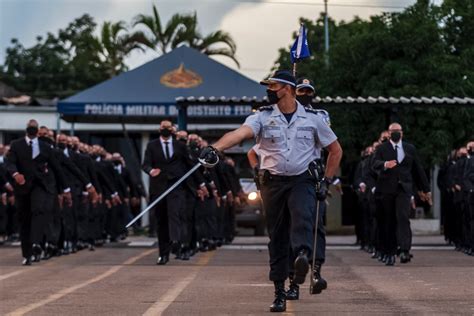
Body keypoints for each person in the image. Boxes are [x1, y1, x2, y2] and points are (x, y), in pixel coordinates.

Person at [199, 70, 343, 312]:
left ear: (287, 88)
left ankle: (303, 258)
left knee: (303, 217)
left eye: (273, 86)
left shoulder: (313, 118)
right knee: (276, 237)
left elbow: (335, 150)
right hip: (273, 183)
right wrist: (215, 148)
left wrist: (325, 181)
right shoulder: (262, 117)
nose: (269, 91)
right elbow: (240, 134)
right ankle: (279, 292)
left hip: (302, 181)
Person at [5, 120, 71, 265]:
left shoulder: (45, 147)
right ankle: (26, 254)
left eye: (35, 127)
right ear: (26, 129)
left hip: (40, 186)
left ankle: (36, 243)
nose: (32, 129)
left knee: (38, 211)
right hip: (22, 188)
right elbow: (9, 163)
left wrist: (66, 189)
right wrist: (16, 174)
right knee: (24, 219)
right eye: (31, 127)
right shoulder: (16, 145)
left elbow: (57, 169)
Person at [372, 123, 431, 266]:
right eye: (393, 131)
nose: (396, 133)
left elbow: (417, 169)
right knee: (389, 220)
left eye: (398, 131)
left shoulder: (410, 148)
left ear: (402, 133)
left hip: (404, 189)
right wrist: (385, 164)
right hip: (387, 189)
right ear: (389, 133)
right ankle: (389, 252)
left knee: (403, 217)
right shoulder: (382, 148)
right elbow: (374, 164)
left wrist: (426, 189)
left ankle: (404, 250)